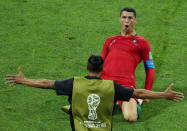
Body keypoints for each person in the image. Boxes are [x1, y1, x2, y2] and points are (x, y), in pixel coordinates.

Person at [5, 55, 184, 131]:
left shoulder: (74, 83)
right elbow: (140, 93)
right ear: (102, 69)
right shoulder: (112, 86)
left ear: (87, 67)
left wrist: (24, 80)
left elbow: (46, 83)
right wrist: (164, 94)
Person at [101, 7, 155, 121]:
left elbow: (150, 69)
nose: (127, 20)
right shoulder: (110, 40)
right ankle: (113, 101)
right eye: (124, 17)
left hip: (126, 86)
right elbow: (99, 65)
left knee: (131, 117)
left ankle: (137, 101)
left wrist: (147, 92)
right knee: (95, 112)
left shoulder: (142, 42)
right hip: (106, 84)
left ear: (135, 20)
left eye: (130, 18)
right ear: (120, 19)